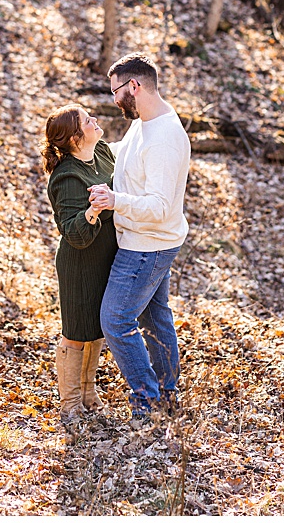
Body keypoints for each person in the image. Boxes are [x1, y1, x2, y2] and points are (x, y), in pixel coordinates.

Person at [87, 53, 192, 419]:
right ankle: (166, 392)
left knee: (115, 320)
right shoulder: (146, 122)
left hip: (147, 245)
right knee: (154, 317)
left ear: (135, 86)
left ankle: (147, 401)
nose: (114, 100)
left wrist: (116, 201)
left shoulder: (164, 137)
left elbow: (161, 206)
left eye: (116, 91)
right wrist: (87, 151)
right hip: (152, 240)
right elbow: (125, 156)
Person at [41, 103, 118, 420]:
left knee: (97, 330)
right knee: (75, 333)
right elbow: (73, 233)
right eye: (88, 120)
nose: (95, 120)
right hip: (79, 262)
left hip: (108, 256)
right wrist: (93, 211)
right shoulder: (66, 177)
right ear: (75, 138)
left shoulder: (102, 152)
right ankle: (70, 404)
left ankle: (89, 394)